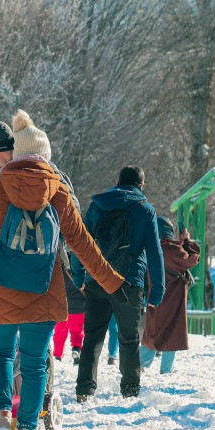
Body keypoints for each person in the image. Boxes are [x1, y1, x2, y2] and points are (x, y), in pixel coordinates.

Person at [0, 111, 124, 430]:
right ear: (45, 155)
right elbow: (83, 244)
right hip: (44, 291)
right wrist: (113, 283)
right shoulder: (58, 191)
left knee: (1, 355)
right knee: (36, 361)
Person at [74, 165, 165, 400]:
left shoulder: (97, 206)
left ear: (118, 181)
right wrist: (157, 290)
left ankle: (85, 388)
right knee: (129, 336)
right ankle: (130, 389)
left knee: (93, 335)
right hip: (129, 282)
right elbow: (155, 253)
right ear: (141, 186)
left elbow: (81, 243)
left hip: (96, 278)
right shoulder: (145, 210)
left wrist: (78, 276)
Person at [141, 217, 201, 377]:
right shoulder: (175, 251)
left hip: (154, 297)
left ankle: (140, 364)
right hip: (174, 300)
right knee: (173, 331)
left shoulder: (150, 249)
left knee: (151, 331)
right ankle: (166, 370)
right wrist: (187, 241)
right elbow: (193, 259)